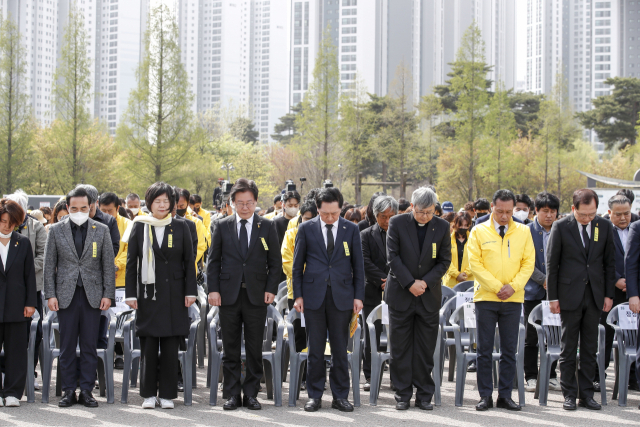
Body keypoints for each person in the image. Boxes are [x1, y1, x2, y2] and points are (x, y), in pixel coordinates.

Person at [207, 178, 281, 410]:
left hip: (257, 295)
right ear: (232, 203)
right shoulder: (222, 225)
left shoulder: (267, 226)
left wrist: (270, 289)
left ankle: (251, 393)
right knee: (229, 346)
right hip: (228, 295)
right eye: (240, 203)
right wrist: (213, 290)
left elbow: (275, 262)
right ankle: (231, 393)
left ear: (256, 202)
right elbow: (214, 261)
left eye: (249, 202)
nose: (245, 207)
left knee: (254, 347)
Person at [122, 183, 196, 409]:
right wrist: (130, 294)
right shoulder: (140, 225)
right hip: (148, 293)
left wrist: (190, 291)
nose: (162, 205)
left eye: (166, 201)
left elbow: (188, 262)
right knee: (149, 344)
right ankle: (147, 394)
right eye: (158, 201)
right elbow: (131, 262)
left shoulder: (182, 226)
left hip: (175, 293)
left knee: (171, 345)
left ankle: (167, 394)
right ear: (149, 202)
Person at [292, 187, 365, 413]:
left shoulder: (351, 229)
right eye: (325, 214)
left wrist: (358, 296)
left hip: (342, 296)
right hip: (313, 296)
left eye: (334, 213)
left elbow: (358, 267)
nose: (330, 218)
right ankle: (314, 395)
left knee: (340, 349)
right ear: (318, 209)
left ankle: (340, 395)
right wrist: (298, 295)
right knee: (314, 348)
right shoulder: (306, 228)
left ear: (341, 208)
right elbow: (297, 266)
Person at [43, 186, 115, 408]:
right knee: (66, 344)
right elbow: (49, 266)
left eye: (84, 207)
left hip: (93, 295)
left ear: (91, 206)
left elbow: (107, 266)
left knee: (89, 344)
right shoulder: (55, 230)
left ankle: (86, 390)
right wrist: (50, 295)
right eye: (74, 207)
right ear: (67, 207)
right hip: (66, 294)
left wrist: (108, 294)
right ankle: (67, 390)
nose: (79, 210)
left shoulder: (101, 230)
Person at [546, 189, 616, 411]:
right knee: (568, 347)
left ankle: (586, 394)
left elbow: (609, 263)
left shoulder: (603, 226)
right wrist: (553, 298)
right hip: (568, 295)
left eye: (592, 214)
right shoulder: (561, 226)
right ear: (573, 208)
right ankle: (568, 393)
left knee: (589, 347)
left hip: (595, 295)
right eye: (583, 214)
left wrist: (608, 294)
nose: (588, 218)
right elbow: (552, 265)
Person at [468, 189, 535, 412]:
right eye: (500, 211)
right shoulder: (478, 231)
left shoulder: (524, 231)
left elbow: (528, 264)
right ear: (493, 208)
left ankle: (505, 395)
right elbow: (475, 264)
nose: (504, 216)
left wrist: (513, 287)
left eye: (509, 211)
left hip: (513, 299)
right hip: (486, 298)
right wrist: (497, 287)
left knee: (509, 350)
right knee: (484, 349)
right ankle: (485, 395)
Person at [384, 187, 451, 410]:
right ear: (412, 207)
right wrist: (410, 283)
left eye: (430, 212)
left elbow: (444, 261)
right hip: (402, 293)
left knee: (425, 347)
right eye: (421, 211)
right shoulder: (397, 223)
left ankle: (424, 393)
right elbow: (392, 257)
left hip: (428, 295)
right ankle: (402, 393)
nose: (425, 216)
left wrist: (425, 282)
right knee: (400, 347)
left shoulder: (442, 226)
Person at [594, 195, 637, 391]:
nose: (623, 218)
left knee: (632, 336)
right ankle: (597, 376)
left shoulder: (636, 227)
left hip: (634, 292)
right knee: (605, 335)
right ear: (609, 212)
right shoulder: (601, 230)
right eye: (618, 214)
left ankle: (633, 378)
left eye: (626, 213)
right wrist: (616, 280)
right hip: (610, 292)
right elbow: (597, 261)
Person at [6, 190, 47, 390]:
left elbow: (42, 255)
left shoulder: (35, 227)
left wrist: (24, 268)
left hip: (30, 288)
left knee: (31, 334)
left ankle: (28, 373)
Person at [0, 199, 37, 407]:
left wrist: (31, 302)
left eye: (11, 222)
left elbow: (29, 275)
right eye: (3, 221)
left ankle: (13, 392)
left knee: (16, 351)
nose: (7, 226)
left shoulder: (22, 242)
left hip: (17, 304)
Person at [523, 192, 561, 393]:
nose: (549, 215)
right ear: (535, 211)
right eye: (544, 211)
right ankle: (530, 375)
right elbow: (524, 261)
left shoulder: (562, 230)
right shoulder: (526, 231)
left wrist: (555, 282)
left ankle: (551, 374)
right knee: (531, 337)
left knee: (553, 335)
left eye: (552, 211)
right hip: (531, 291)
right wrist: (544, 279)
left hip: (555, 293)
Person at [360, 195, 397, 392]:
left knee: (396, 335)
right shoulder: (365, 234)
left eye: (391, 216)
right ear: (376, 215)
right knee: (370, 335)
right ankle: (370, 375)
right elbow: (364, 261)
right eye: (383, 216)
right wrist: (383, 280)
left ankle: (395, 377)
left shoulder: (402, 233)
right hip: (372, 291)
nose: (388, 220)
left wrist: (392, 281)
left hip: (398, 289)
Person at [281, 200, 318, 389]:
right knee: (300, 335)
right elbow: (287, 262)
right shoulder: (292, 234)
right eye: (305, 219)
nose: (308, 223)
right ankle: (300, 376)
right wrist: (307, 275)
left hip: (319, 292)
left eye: (312, 219)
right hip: (296, 292)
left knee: (317, 337)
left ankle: (315, 376)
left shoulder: (321, 233)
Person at [444, 212, 474, 288]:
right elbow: (444, 260)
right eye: (460, 225)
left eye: (465, 225)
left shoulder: (474, 240)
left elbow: (476, 259)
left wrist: (465, 274)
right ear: (455, 224)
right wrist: (457, 275)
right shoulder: (447, 240)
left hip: (469, 281)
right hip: (451, 282)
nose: (463, 228)